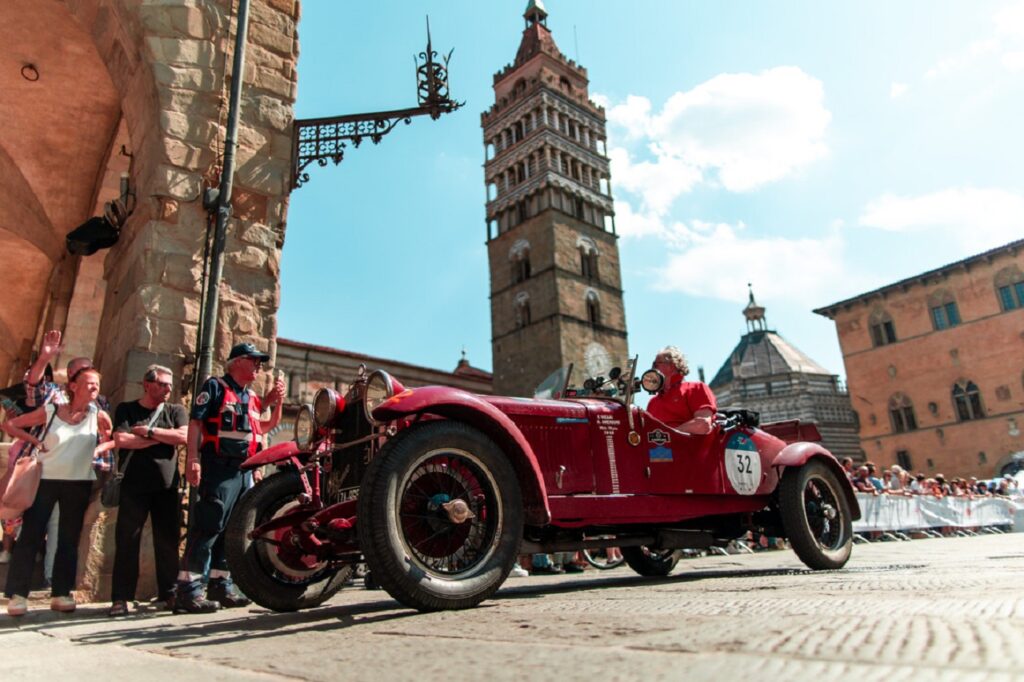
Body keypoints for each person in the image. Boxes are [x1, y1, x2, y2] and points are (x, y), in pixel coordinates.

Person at [175, 342, 285, 613]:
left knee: (232, 529)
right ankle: (188, 590)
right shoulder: (214, 387)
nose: (259, 365)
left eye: (260, 361)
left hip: (243, 471)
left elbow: (267, 426)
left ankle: (220, 585)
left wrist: (276, 401)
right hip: (219, 467)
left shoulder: (250, 397)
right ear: (236, 361)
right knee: (210, 524)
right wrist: (193, 459)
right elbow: (196, 423)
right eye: (253, 360)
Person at [2, 367, 112, 616]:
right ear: (73, 386)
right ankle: (18, 595)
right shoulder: (51, 410)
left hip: (78, 482)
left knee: (69, 538)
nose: (94, 388)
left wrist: (97, 451)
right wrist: (34, 442)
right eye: (89, 383)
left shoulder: (99, 415)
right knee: (31, 534)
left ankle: (61, 592)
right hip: (46, 479)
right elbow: (12, 425)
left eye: (97, 384)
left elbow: (111, 436)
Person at [108, 364, 188, 617]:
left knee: (168, 541)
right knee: (127, 541)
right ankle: (121, 598)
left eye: (170, 385)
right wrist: (162, 438)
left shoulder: (176, 410)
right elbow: (120, 440)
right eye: (163, 384)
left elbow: (184, 437)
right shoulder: (127, 409)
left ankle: (170, 593)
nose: (168, 389)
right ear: (147, 384)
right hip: (134, 487)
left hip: (167, 487)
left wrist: (150, 432)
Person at [646, 346, 717, 435]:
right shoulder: (652, 402)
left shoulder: (696, 388)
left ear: (672, 365)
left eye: (656, 364)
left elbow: (703, 424)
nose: (653, 368)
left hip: (690, 448)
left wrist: (669, 435)